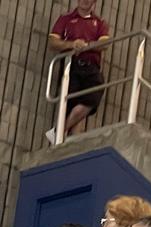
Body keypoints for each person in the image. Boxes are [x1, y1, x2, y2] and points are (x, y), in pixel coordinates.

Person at [46, 0, 110, 142]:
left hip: (91, 67)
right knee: (71, 105)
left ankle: (58, 132)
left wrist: (86, 45)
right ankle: (66, 144)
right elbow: (53, 42)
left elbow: (104, 43)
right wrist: (72, 44)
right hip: (71, 66)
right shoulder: (66, 18)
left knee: (92, 97)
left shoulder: (99, 22)